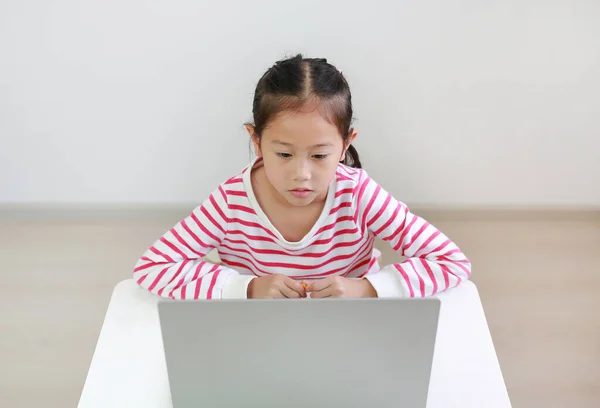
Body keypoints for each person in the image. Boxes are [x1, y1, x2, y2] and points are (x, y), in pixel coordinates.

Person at [132, 54, 471, 300]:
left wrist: (366, 288)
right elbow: (153, 267)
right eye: (283, 154)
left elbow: (451, 262)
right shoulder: (231, 200)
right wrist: (247, 287)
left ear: (345, 145)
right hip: (259, 328)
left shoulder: (357, 194)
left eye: (320, 155)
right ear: (256, 141)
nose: (301, 175)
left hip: (351, 325)